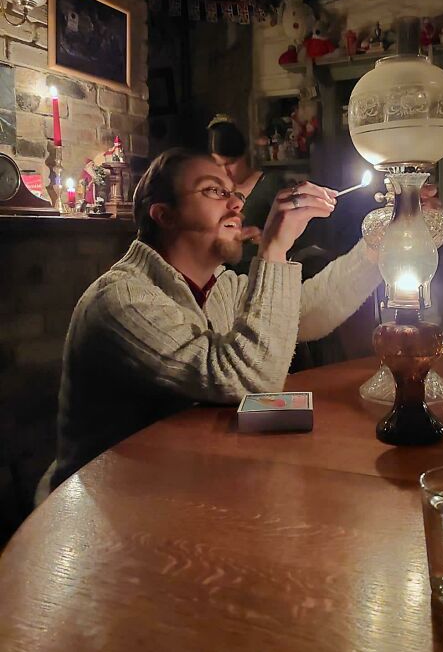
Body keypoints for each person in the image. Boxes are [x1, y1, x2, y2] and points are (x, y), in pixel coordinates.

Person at [37, 148, 383, 500]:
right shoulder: (122, 300)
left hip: (179, 485)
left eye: (233, 193)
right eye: (213, 191)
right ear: (165, 215)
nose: (235, 205)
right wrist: (274, 250)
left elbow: (302, 314)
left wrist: (378, 246)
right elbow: (249, 380)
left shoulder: (218, 285)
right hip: (100, 506)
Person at [207, 115, 285, 275]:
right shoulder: (214, 189)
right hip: (220, 274)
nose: (225, 171)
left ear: (244, 156)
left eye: (230, 164)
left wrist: (264, 238)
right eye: (218, 165)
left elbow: (290, 237)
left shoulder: (270, 183)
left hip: (257, 272)